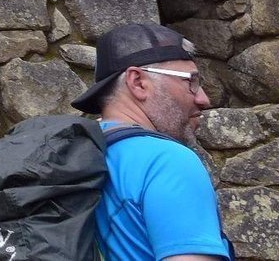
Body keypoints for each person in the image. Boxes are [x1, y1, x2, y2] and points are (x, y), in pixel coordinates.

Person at [70, 23, 230, 261]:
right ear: (138, 82)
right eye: (191, 82)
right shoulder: (166, 161)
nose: (203, 98)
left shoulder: (77, 154)